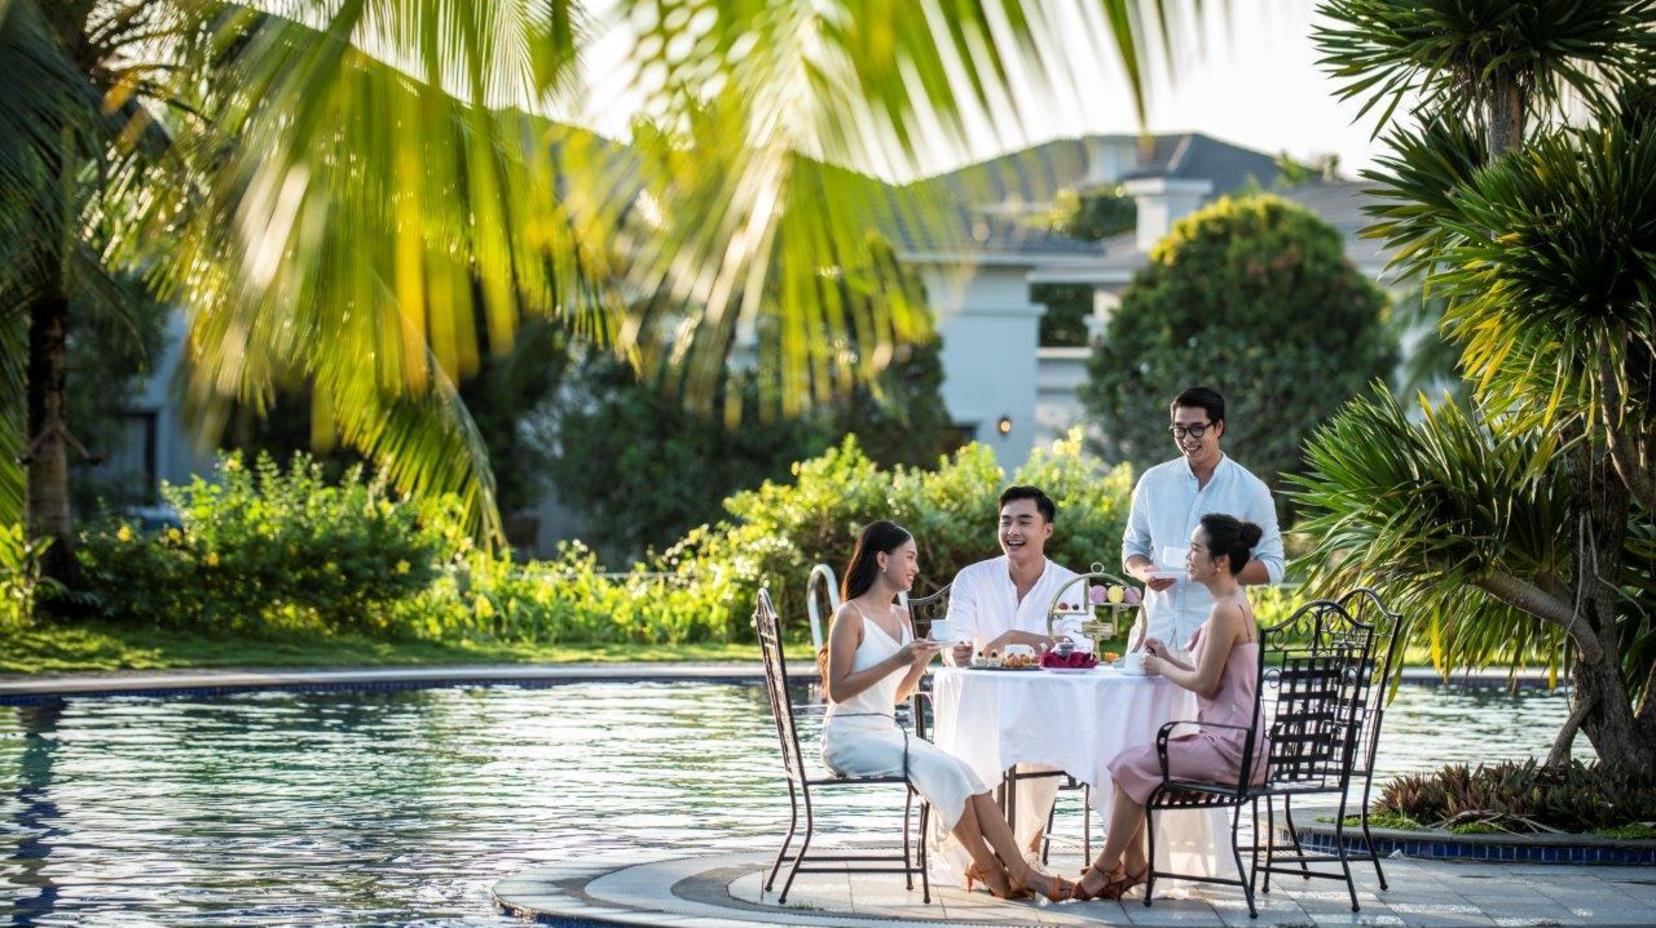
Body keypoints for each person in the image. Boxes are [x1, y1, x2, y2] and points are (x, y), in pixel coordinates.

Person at [821, 521, 1072, 901]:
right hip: (849, 738)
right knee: (941, 769)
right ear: (882, 559)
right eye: (910, 558)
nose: (916, 568)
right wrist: (899, 660)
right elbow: (837, 691)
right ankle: (1004, 870)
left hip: (886, 733)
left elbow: (896, 697)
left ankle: (1008, 869)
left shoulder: (902, 618)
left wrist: (919, 663)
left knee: (965, 772)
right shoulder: (850, 616)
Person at [1072, 514, 1268, 901]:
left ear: (1220, 562)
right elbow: (1206, 671)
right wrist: (1167, 655)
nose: (1187, 557)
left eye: (1195, 549)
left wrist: (1161, 666)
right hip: (1239, 742)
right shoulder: (1231, 605)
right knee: (1129, 764)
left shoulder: (1226, 612)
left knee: (1129, 765)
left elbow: (1205, 684)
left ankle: (1107, 868)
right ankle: (1133, 865)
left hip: (1230, 748)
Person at [940, 485, 1084, 861]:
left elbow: (1081, 647)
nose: (1012, 532)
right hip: (983, 708)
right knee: (975, 747)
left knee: (1047, 733)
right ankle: (983, 855)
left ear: (1047, 530)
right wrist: (956, 650)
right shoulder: (972, 578)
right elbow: (955, 635)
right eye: (1005, 522)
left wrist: (1017, 637)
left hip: (1045, 709)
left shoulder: (1070, 584)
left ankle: (1027, 852)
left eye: (1024, 521)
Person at [1122, 387, 1285, 651]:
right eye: (1179, 429)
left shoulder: (1251, 490)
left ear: (1218, 427)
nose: (1187, 439)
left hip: (1215, 637)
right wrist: (1145, 573)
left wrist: (1216, 570)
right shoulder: (1152, 482)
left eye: (1197, 429)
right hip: (1154, 630)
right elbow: (1132, 548)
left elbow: (1274, 566)